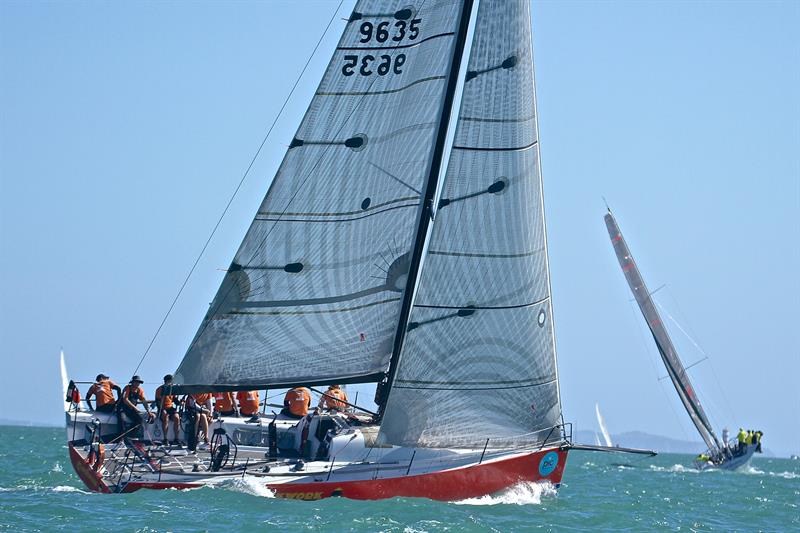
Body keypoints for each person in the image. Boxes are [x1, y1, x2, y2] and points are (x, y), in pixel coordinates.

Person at [154, 374, 181, 445]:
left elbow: (174, 399)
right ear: (167, 381)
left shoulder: (172, 389)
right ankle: (165, 438)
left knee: (177, 417)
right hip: (162, 408)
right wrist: (162, 409)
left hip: (170, 408)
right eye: (170, 381)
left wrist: (180, 403)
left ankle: (176, 438)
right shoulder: (159, 389)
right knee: (165, 416)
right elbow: (157, 401)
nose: (172, 383)